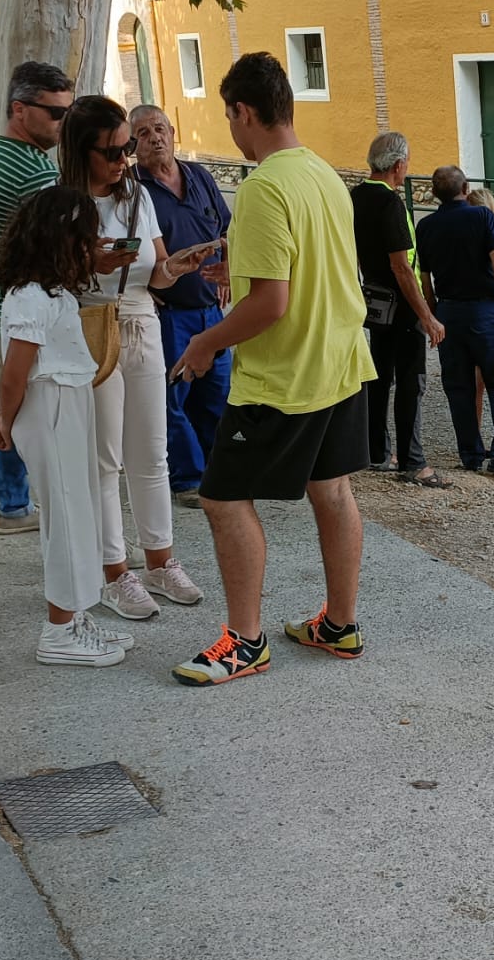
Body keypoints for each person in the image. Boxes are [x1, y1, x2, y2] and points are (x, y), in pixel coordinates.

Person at [167, 52, 376, 685]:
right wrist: (238, 269)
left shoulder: (261, 186)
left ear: (244, 112)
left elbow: (270, 303)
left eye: (229, 115)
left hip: (285, 376)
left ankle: (244, 642)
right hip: (340, 359)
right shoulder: (322, 173)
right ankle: (339, 625)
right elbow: (306, 269)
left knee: (222, 499)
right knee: (332, 489)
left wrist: (205, 344)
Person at [58, 97, 217, 619]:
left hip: (143, 320)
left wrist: (180, 266)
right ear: (83, 151)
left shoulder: (135, 196)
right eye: (113, 151)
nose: (124, 159)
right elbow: (46, 280)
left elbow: (155, 271)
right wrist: (91, 260)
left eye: (127, 148)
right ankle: (114, 572)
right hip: (92, 324)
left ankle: (160, 561)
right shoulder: (60, 203)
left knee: (152, 452)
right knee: (106, 459)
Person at [0, 184, 128, 666]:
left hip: (67, 400)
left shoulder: (53, 291)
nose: (94, 247)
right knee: (65, 515)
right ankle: (58, 630)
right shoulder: (29, 296)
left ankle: (76, 613)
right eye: (88, 238)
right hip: (51, 405)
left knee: (79, 509)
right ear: (63, 239)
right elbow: (14, 372)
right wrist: (7, 421)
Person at [0, 59, 74, 535]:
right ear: (19, 109)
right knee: (32, 406)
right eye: (55, 114)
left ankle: (12, 504)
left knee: (15, 395)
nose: (62, 123)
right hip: (32, 304)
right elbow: (62, 248)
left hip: (2, 301)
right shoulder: (33, 173)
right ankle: (33, 504)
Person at [135, 104, 233, 498]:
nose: (155, 137)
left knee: (217, 395)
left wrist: (228, 263)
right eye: (143, 133)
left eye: (160, 128)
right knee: (172, 397)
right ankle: (189, 479)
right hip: (169, 314)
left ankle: (221, 472)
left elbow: (226, 227)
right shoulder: (134, 189)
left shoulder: (200, 176)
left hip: (211, 311)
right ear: (133, 144)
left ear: (173, 132)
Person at [352, 131, 449, 487]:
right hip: (402, 306)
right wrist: (427, 315)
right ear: (398, 165)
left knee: (379, 378)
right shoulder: (390, 203)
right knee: (411, 382)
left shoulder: (357, 196)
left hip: (376, 302)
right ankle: (413, 460)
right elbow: (402, 265)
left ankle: (377, 451)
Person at [416, 165, 494, 477]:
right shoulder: (482, 217)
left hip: (449, 310)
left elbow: (425, 278)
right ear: (465, 188)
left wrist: (434, 313)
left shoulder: (426, 227)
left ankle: (471, 455)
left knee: (459, 387)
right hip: (484, 309)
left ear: (435, 194)